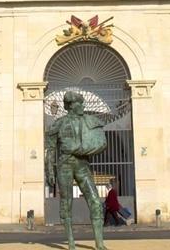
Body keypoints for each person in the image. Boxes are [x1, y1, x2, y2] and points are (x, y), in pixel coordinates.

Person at [46, 91, 108, 250]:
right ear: (70, 106)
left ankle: (99, 243)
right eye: (78, 104)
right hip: (65, 165)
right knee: (66, 203)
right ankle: (71, 242)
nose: (82, 106)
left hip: (82, 165)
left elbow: (101, 143)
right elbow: (51, 150)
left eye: (82, 103)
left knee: (95, 201)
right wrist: (50, 171)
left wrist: (80, 149)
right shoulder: (58, 124)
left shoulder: (89, 121)